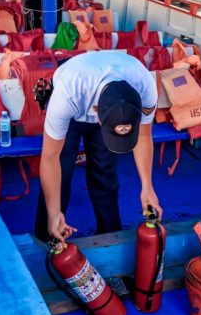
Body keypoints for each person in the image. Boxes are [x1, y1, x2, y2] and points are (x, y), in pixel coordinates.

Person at [36, 51, 163, 242]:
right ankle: (48, 236)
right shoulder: (67, 94)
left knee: (105, 172)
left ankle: (110, 238)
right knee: (61, 172)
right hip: (74, 106)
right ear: (97, 115)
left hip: (105, 98)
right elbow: (49, 158)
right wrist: (54, 212)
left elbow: (144, 136)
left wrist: (147, 187)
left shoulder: (145, 89)